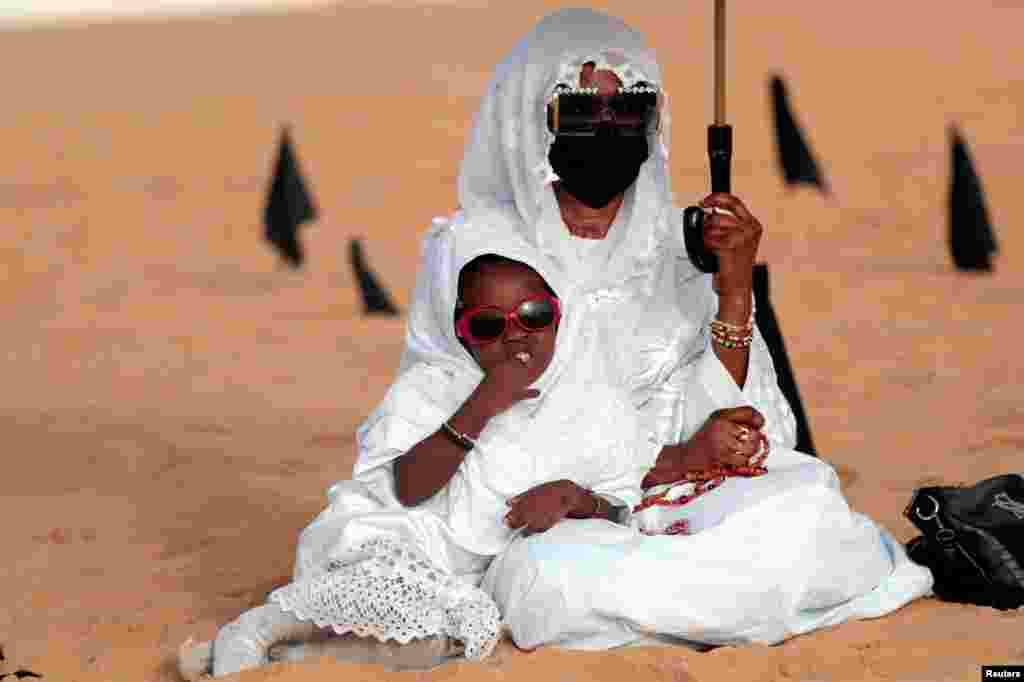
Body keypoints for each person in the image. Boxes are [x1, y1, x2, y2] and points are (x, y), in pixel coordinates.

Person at [399, 7, 934, 652]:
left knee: (813, 519)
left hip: (670, 494)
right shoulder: (475, 251)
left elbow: (740, 422)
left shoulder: (680, 243)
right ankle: (713, 606)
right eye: (581, 110)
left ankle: (685, 606)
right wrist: (587, 498)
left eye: (630, 110)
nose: (608, 127)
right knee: (558, 580)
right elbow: (469, 419)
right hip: (545, 518)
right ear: (532, 118)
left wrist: (733, 285)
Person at [178, 226, 661, 678]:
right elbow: (407, 489)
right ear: (461, 331)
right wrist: (482, 405)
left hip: (467, 581)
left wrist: (574, 498)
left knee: (441, 640)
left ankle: (293, 655)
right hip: (398, 539)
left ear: (558, 315)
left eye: (534, 317)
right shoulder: (433, 387)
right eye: (490, 325)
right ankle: (263, 629)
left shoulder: (595, 402)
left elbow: (624, 508)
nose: (516, 335)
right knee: (371, 588)